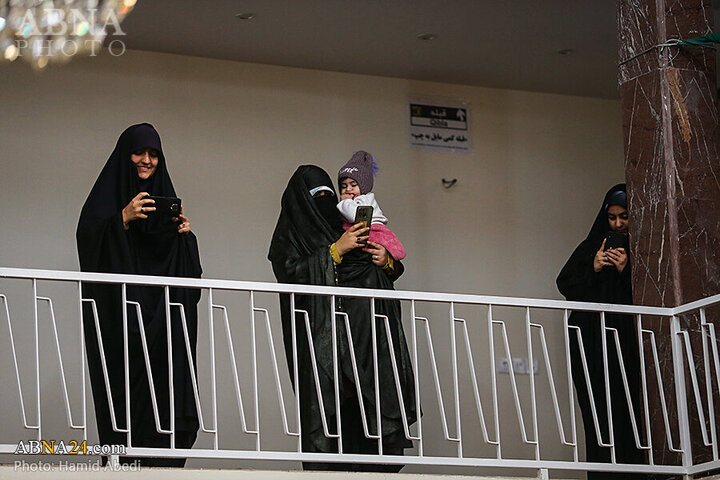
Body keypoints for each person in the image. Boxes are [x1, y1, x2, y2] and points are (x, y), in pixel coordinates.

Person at [268, 165, 417, 472]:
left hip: (363, 340)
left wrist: (388, 262)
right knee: (327, 413)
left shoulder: (342, 224)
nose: (324, 202)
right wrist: (334, 251)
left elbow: (375, 269)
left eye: (328, 194)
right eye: (316, 196)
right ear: (300, 202)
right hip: (318, 339)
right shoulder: (288, 239)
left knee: (368, 410)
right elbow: (291, 274)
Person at [76, 123, 202, 467]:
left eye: (154, 155)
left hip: (164, 325)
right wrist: (122, 219)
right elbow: (88, 243)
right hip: (120, 323)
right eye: (139, 153)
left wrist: (185, 238)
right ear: (125, 155)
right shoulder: (105, 200)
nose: (146, 161)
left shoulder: (164, 193)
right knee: (124, 398)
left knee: (169, 397)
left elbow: (190, 278)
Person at [556, 184, 646, 479]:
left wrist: (625, 272)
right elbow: (565, 284)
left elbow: (650, 296)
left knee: (630, 404)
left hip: (626, 344)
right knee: (597, 407)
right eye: (612, 217)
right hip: (592, 344)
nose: (618, 224)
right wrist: (593, 267)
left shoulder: (644, 251)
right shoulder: (591, 246)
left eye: (624, 217)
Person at [336, 151, 406, 261]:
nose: (348, 189)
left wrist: (344, 202)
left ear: (364, 186)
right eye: (344, 186)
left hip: (374, 230)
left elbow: (353, 215)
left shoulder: (364, 199)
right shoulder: (354, 200)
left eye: (353, 185)